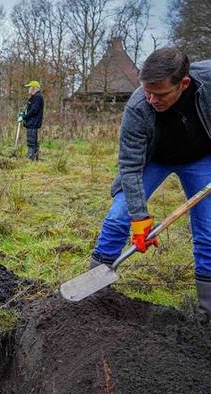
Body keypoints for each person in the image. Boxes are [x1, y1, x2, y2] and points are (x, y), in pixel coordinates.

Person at [89, 48, 211, 319]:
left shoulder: (208, 83)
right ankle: (93, 298)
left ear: (184, 84)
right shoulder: (138, 106)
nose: (151, 99)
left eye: (160, 94)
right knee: (119, 216)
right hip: (153, 159)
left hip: (201, 158)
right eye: (147, 91)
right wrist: (140, 219)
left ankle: (207, 314)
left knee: (208, 231)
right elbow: (130, 167)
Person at [20, 80, 44, 160]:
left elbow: (34, 110)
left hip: (33, 123)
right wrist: (23, 114)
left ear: (34, 88)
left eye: (29, 87)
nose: (28, 89)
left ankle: (30, 158)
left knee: (31, 141)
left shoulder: (38, 97)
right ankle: (35, 157)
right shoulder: (34, 97)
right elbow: (30, 109)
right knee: (34, 141)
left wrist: (24, 117)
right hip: (32, 122)